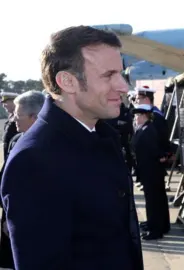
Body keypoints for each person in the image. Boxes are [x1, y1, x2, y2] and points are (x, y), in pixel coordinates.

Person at [0, 26, 143, 269]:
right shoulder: (35, 160)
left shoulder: (101, 136)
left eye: (121, 74)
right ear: (67, 81)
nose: (123, 86)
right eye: (108, 75)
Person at [0, 91, 45, 270]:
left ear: (34, 117)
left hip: (33, 223)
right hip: (12, 216)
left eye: (18, 116)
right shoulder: (17, 139)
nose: (14, 119)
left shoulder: (48, 145)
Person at [131, 103, 170, 240]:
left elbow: (153, 150)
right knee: (156, 200)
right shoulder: (144, 129)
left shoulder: (148, 130)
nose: (135, 118)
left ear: (144, 116)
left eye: (137, 115)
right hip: (149, 171)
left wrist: (161, 156)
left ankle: (156, 229)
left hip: (151, 171)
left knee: (153, 202)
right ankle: (159, 224)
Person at [1, 92, 18, 162]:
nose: (3, 106)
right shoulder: (11, 116)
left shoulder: (21, 117)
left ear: (14, 102)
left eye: (5, 102)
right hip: (8, 153)